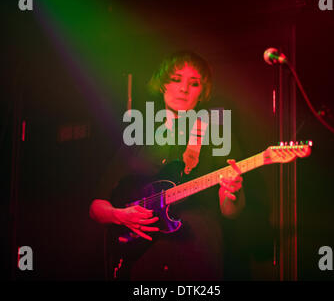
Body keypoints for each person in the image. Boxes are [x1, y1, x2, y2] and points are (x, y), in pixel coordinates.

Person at [89, 51, 246, 280]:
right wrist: (120, 216)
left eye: (194, 84)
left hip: (197, 258)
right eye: (175, 80)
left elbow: (231, 211)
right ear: (163, 86)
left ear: (202, 93)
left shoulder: (216, 134)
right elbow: (95, 207)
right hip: (143, 262)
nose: (183, 89)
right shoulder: (139, 135)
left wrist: (232, 193)